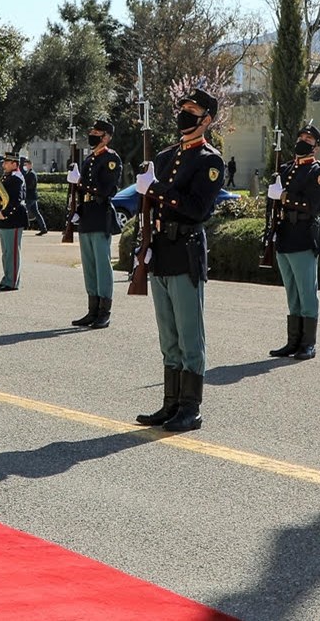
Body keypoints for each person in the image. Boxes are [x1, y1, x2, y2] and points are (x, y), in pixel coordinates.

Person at [133, 88, 225, 432]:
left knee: (190, 336)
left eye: (192, 109)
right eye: (183, 107)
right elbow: (150, 207)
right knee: (168, 336)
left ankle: (191, 408)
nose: (184, 113)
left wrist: (155, 189)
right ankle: (170, 404)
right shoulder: (165, 155)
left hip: (186, 249)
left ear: (206, 119)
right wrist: (145, 245)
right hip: (162, 251)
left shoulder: (210, 161)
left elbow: (197, 209)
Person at [266, 124, 320, 360]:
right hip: (284, 235)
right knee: (292, 292)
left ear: (316, 146)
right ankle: (293, 342)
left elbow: (312, 205)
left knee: (306, 292)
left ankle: (308, 344)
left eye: (309, 138)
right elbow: (273, 205)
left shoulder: (318, 172)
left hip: (304, 235)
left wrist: (284, 196)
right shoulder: (285, 169)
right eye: (301, 136)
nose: (303, 140)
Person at [67, 117, 122, 329]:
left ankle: (104, 311)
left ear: (106, 137)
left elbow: (106, 189)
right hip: (88, 214)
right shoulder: (89, 159)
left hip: (100, 214)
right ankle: (92, 309)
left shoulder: (110, 158)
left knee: (102, 265)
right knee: (89, 265)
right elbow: (83, 189)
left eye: (97, 133)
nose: (93, 135)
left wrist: (80, 182)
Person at [0, 152, 29, 291]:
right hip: (6, 220)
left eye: (7, 163)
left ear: (14, 164)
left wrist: (4, 214)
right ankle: (6, 279)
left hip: (13, 219)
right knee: (6, 252)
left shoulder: (17, 178)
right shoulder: (8, 177)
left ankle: (12, 282)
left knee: (12, 253)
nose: (3, 165)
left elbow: (16, 201)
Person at [22, 156, 47, 235]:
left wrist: (25, 187)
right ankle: (43, 228)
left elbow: (31, 185)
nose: (25, 166)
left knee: (24, 212)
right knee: (36, 213)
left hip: (30, 196)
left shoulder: (32, 174)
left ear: (30, 165)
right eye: (25, 165)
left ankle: (22, 227)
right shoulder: (28, 173)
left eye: (26, 165)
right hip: (32, 196)